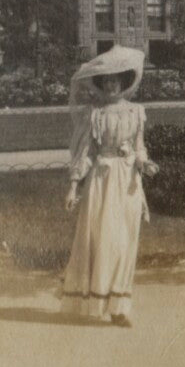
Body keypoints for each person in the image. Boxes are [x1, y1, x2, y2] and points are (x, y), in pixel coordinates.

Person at [60, 45, 159, 327]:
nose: (111, 85)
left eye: (116, 80)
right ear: (102, 85)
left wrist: (144, 163)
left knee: (124, 240)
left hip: (127, 181)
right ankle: (98, 301)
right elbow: (86, 154)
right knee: (102, 239)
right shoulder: (96, 115)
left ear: (125, 82)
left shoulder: (136, 112)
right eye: (106, 81)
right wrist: (73, 187)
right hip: (102, 181)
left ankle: (119, 307)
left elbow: (139, 147)